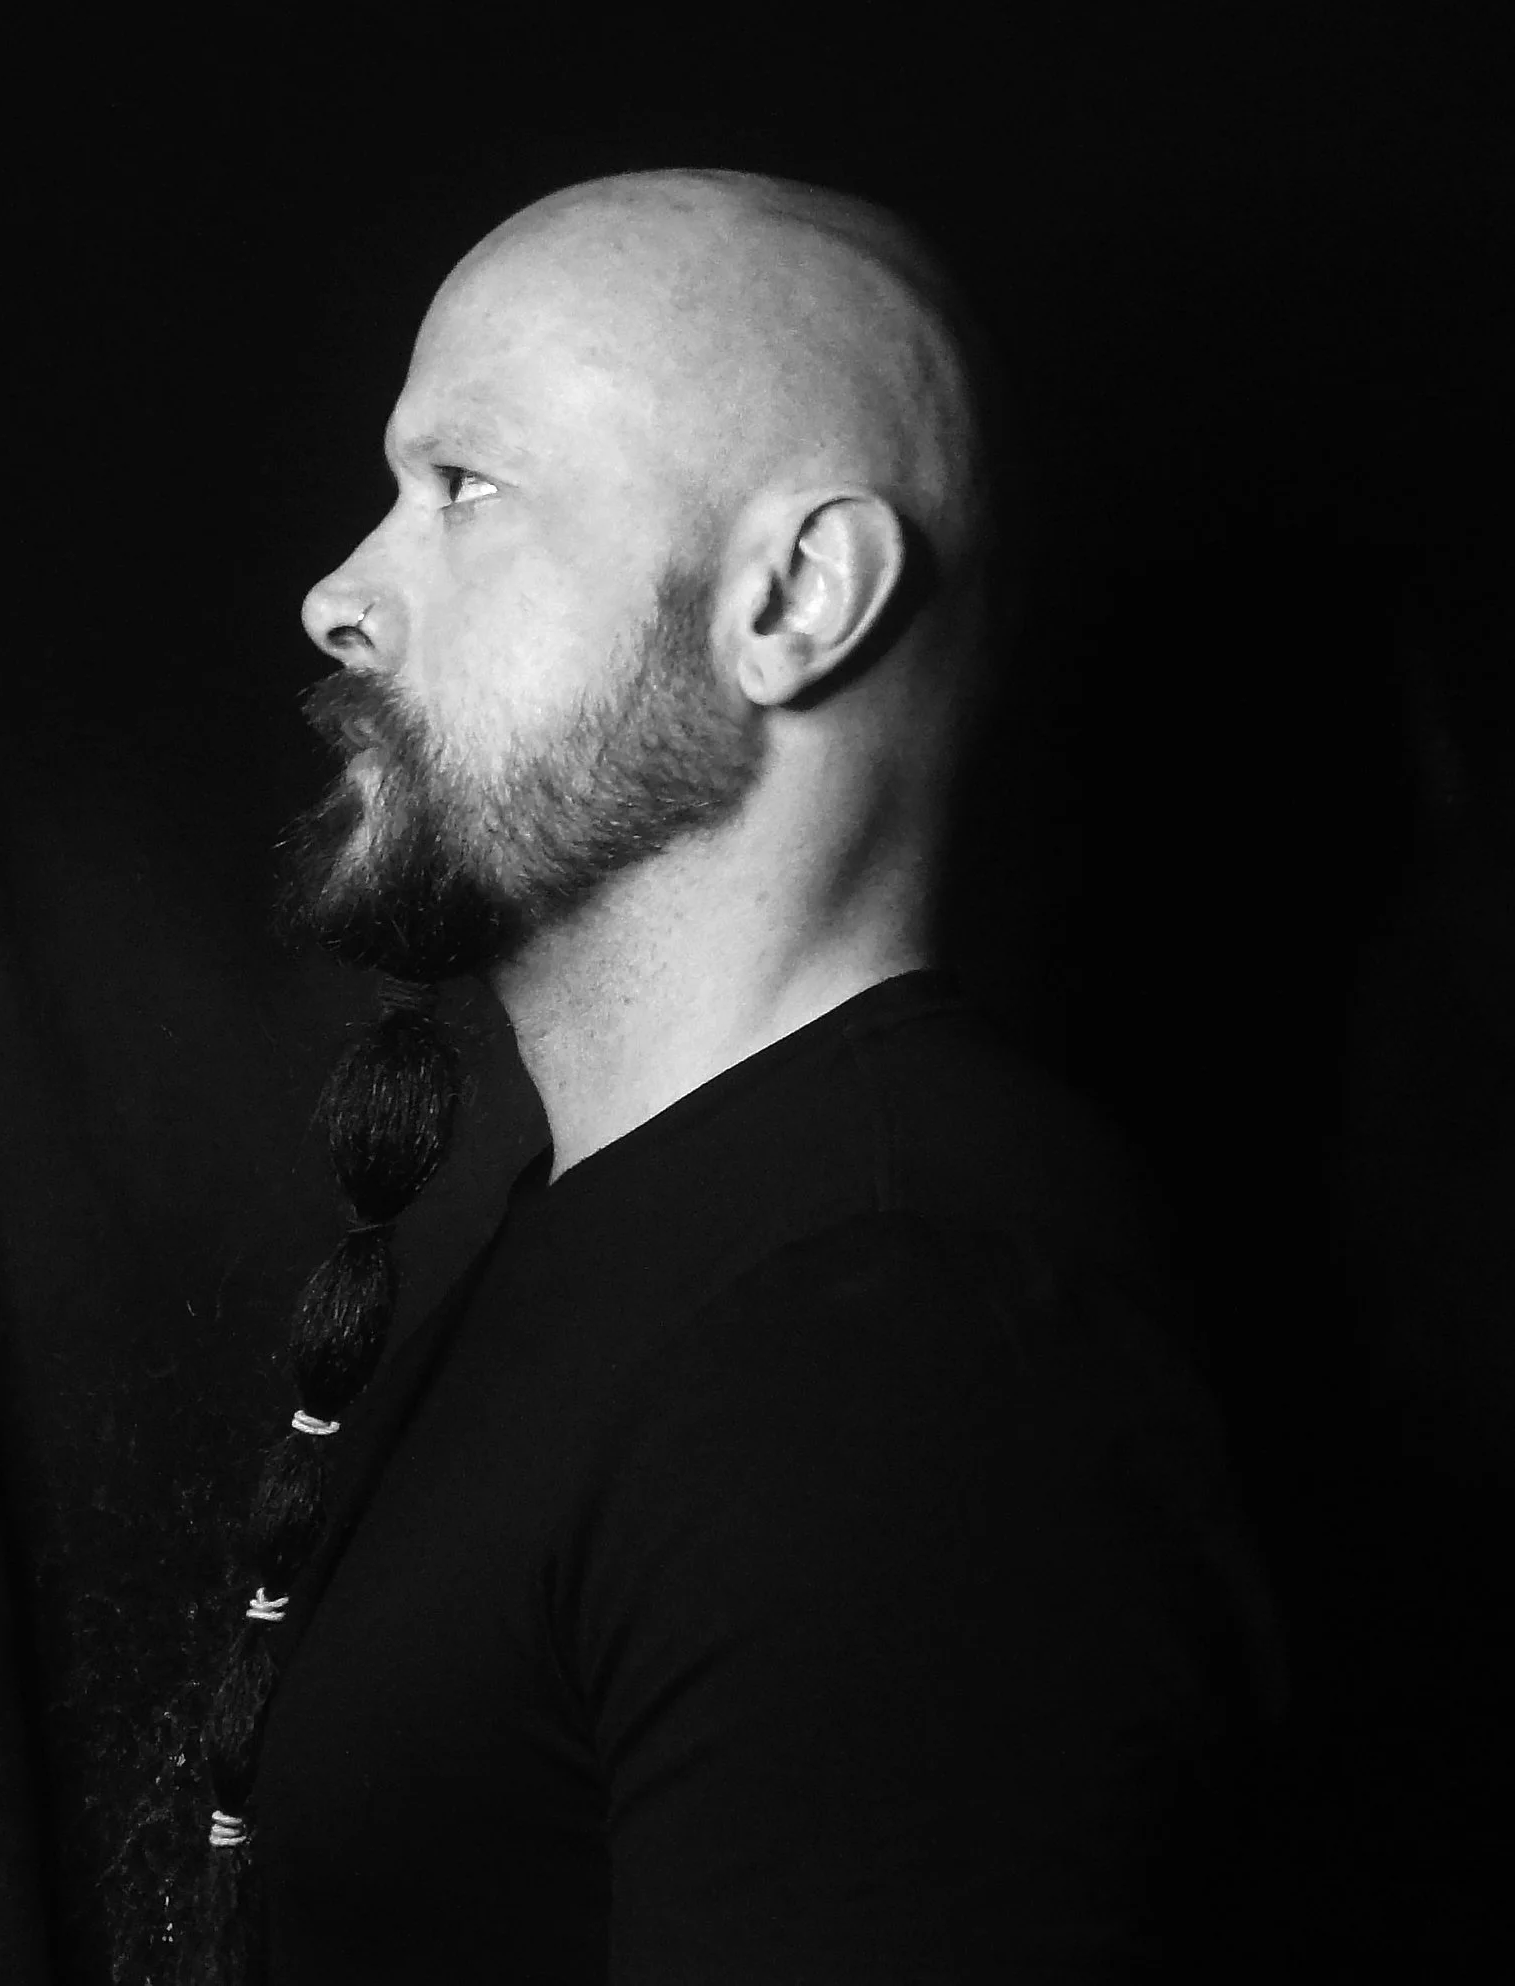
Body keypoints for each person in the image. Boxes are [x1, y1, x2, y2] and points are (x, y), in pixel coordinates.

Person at [109, 167, 1284, 1983]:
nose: (340, 594)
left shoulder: (894, 1351)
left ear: (796, 597)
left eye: (463, 487)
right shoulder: (669, 1243)